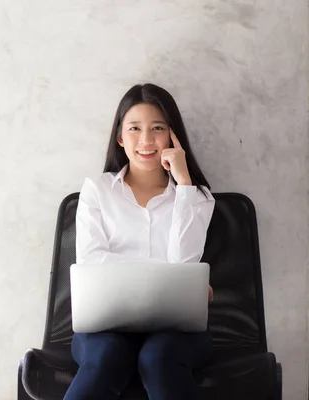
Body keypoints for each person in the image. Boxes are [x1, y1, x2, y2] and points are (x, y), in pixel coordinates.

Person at [63, 83, 216, 400]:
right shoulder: (98, 190)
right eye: (135, 128)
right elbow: (92, 263)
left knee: (158, 357)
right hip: (106, 328)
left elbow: (185, 264)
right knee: (105, 357)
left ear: (173, 136)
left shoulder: (196, 197)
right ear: (120, 137)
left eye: (157, 128)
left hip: (175, 333)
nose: (146, 140)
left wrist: (184, 184)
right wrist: (177, 280)